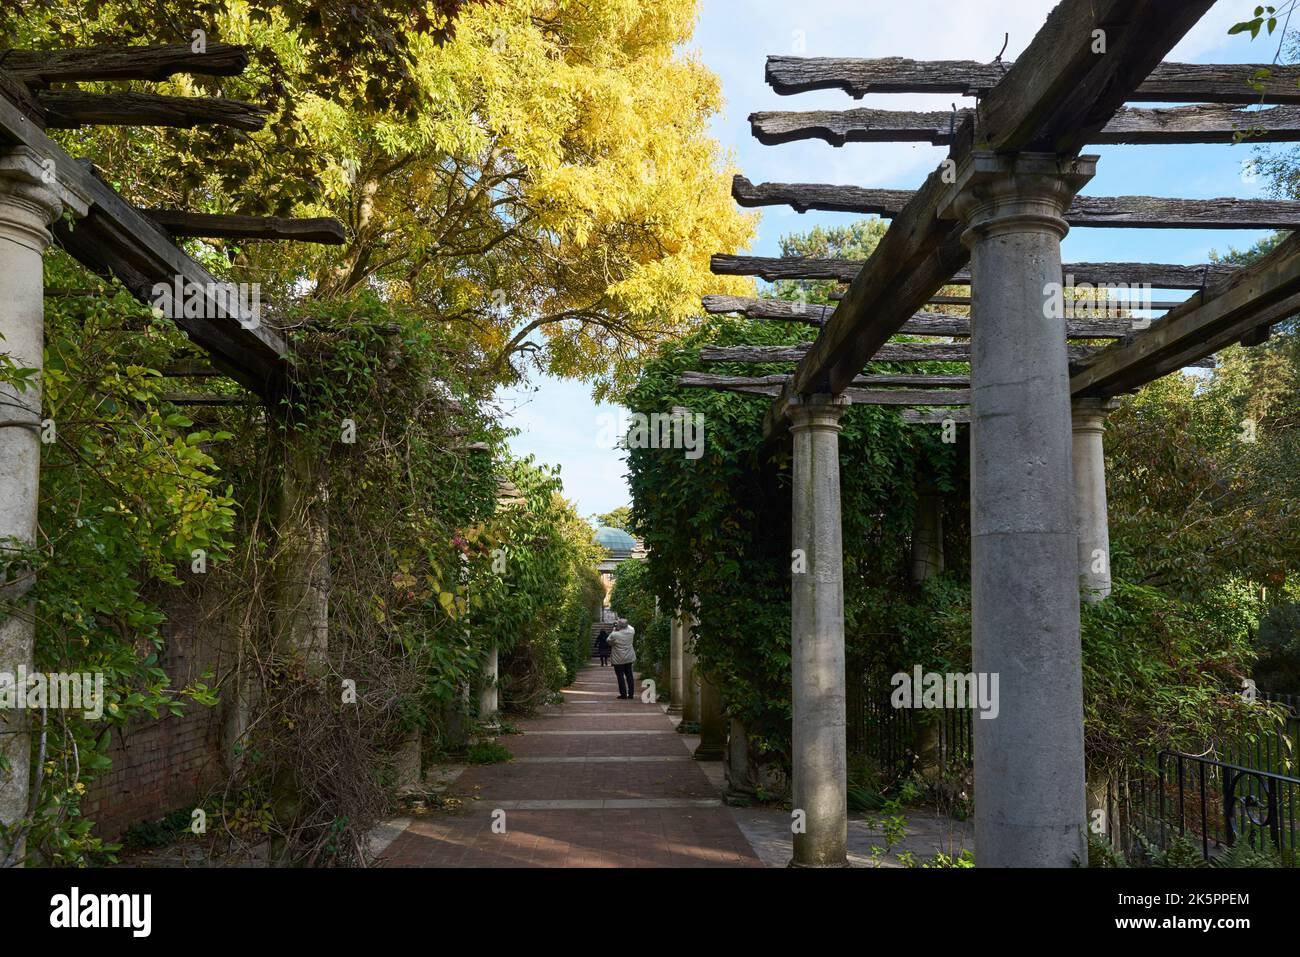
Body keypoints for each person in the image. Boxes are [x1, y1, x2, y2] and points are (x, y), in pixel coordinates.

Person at [606, 619, 637, 699]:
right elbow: (630, 626)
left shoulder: (615, 634)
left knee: (620, 677)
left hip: (618, 659)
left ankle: (623, 694)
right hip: (629, 658)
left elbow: (608, 640)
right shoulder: (631, 631)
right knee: (629, 676)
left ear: (619, 626)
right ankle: (631, 694)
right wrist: (622, 624)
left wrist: (614, 629)